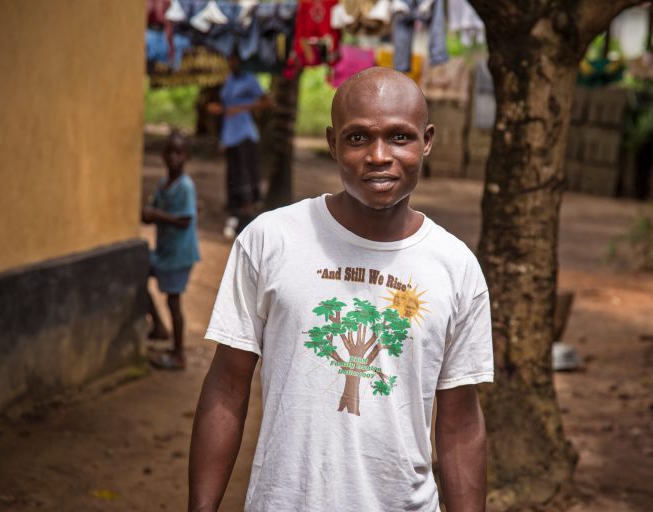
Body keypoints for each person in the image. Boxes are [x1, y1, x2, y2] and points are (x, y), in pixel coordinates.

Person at [190, 67, 493, 511]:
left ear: (426, 141)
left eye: (400, 138)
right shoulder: (271, 240)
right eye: (358, 138)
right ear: (333, 143)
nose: (378, 156)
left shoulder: (455, 267)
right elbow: (227, 386)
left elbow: (460, 422)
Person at [142, 131, 200, 370]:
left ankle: (179, 354)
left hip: (179, 255)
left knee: (174, 302)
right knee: (138, 272)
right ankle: (158, 326)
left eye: (179, 153)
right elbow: (152, 208)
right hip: (164, 252)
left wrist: (155, 215)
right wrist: (148, 213)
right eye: (169, 152)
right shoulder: (162, 185)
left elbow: (185, 221)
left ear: (186, 157)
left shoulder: (185, 187)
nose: (173, 157)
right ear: (163, 155)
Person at [207, 52, 274, 238]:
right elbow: (226, 107)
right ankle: (236, 215)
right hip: (229, 135)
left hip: (244, 134)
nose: (231, 62)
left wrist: (241, 108)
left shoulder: (250, 79)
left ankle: (248, 216)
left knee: (245, 174)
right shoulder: (229, 79)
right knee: (234, 176)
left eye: (234, 59)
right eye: (229, 59)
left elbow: (268, 101)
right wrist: (221, 110)